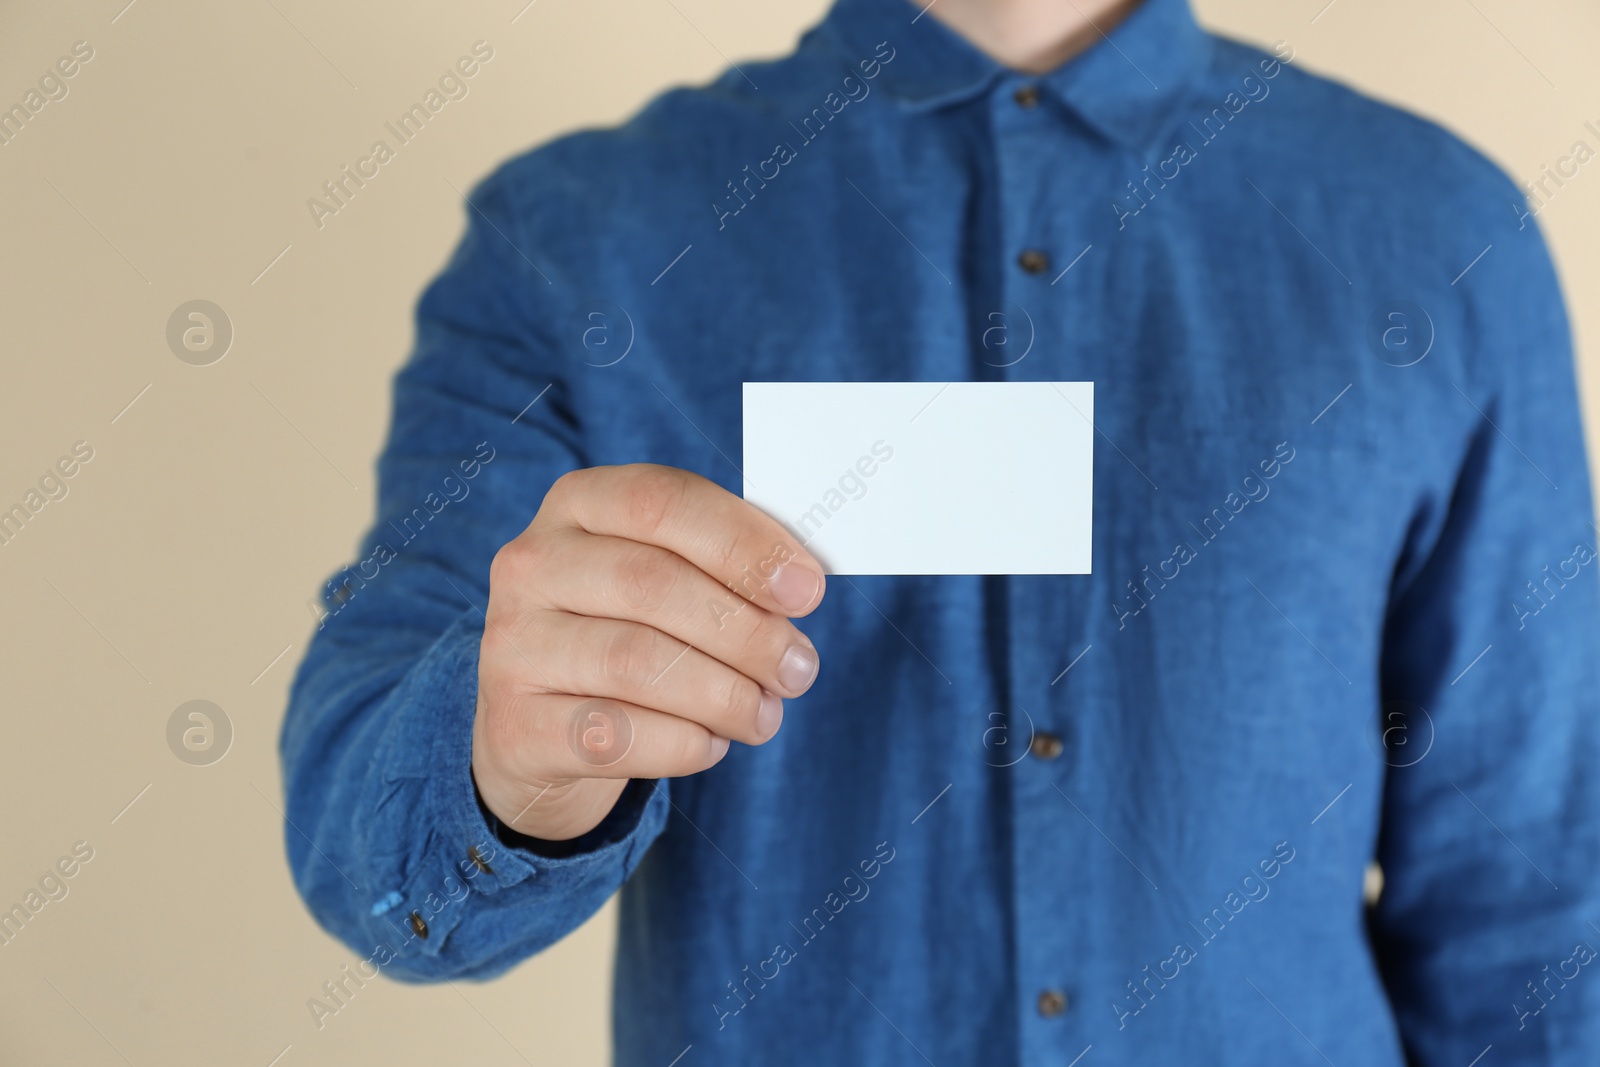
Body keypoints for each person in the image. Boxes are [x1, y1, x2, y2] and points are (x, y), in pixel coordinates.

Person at [279, 0, 1600, 1061]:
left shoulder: (1445, 242)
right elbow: (371, 847)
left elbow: (1534, 912)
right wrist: (513, 763)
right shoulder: (572, 247)